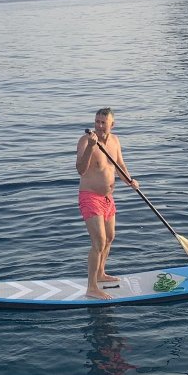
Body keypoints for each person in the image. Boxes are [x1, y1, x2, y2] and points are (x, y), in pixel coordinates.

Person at [76, 108, 138, 300]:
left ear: (112, 124)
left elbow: (119, 165)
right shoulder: (86, 141)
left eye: (103, 122)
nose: (99, 126)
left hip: (108, 198)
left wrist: (130, 181)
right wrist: (90, 148)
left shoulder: (115, 141)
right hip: (90, 197)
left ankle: (101, 274)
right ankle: (92, 287)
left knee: (110, 238)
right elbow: (80, 169)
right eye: (97, 122)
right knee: (99, 242)